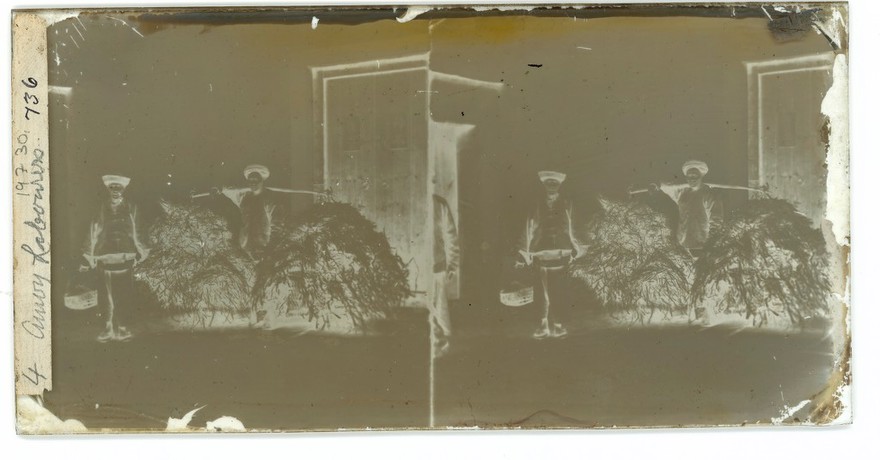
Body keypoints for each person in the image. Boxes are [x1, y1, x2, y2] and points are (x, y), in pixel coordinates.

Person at [81, 175, 149, 342]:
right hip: (103, 256)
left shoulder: (131, 207)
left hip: (125, 256)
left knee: (123, 293)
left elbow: (138, 229)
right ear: (108, 189)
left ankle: (123, 328)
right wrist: (88, 255)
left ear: (124, 189)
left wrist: (142, 250)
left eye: (119, 187)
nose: (116, 191)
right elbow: (92, 230)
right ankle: (106, 328)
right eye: (112, 187)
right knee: (105, 295)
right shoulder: (100, 207)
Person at [521, 170, 583, 339]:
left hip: (561, 252)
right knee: (541, 291)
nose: (551, 186)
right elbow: (527, 226)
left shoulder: (567, 203)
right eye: (548, 182)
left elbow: (574, 226)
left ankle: (558, 324)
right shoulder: (535, 203)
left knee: (559, 290)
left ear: (559, 185)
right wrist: (525, 251)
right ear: (543, 184)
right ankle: (541, 325)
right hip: (540, 252)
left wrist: (577, 246)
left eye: (554, 183)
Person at [648, 160, 724, 256]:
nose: (691, 179)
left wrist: (711, 243)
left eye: (694, 176)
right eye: (689, 176)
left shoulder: (709, 195)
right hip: (683, 243)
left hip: (702, 245)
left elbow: (716, 220)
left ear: (701, 176)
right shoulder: (683, 193)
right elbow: (668, 187)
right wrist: (658, 185)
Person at [431, 192, 460, 357]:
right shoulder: (413, 201)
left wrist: (452, 264)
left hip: (437, 266)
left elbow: (451, 237)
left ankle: (444, 345)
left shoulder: (440, 204)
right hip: (418, 265)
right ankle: (433, 344)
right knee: (427, 308)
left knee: (440, 307)